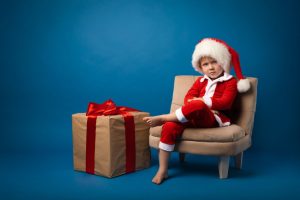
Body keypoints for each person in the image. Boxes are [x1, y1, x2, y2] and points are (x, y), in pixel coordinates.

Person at [143, 38, 251, 185]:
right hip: (193, 116)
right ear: (200, 67)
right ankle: (163, 169)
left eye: (214, 62)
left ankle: (165, 117)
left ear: (223, 62)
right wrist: (196, 101)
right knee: (170, 127)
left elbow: (225, 103)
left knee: (199, 105)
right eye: (206, 64)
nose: (211, 67)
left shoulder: (230, 81)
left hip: (214, 118)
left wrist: (202, 101)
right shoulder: (200, 81)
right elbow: (188, 97)